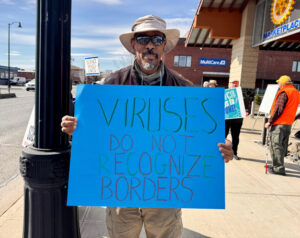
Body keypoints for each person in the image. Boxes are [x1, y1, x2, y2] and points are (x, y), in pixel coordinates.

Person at [61, 15, 234, 238]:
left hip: (165, 196)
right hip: (121, 193)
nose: (150, 45)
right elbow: (91, 131)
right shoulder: (110, 84)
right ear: (134, 46)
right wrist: (76, 128)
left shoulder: (185, 89)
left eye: (157, 40)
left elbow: (203, 138)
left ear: (165, 46)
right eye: (143, 39)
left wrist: (220, 147)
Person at [265, 75, 300, 175]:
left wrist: (269, 122)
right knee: (282, 145)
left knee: (275, 145)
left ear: (283, 83)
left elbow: (278, 110)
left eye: (279, 83)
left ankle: (278, 168)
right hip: (288, 123)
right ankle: (278, 165)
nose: (278, 84)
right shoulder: (296, 92)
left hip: (279, 123)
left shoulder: (284, 92)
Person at [225, 82, 243, 160]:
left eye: (236, 84)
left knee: (235, 136)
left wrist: (246, 110)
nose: (234, 85)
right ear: (229, 84)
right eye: (233, 83)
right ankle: (221, 151)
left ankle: (234, 153)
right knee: (223, 135)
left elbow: (246, 104)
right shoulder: (225, 93)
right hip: (226, 118)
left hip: (237, 119)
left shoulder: (240, 94)